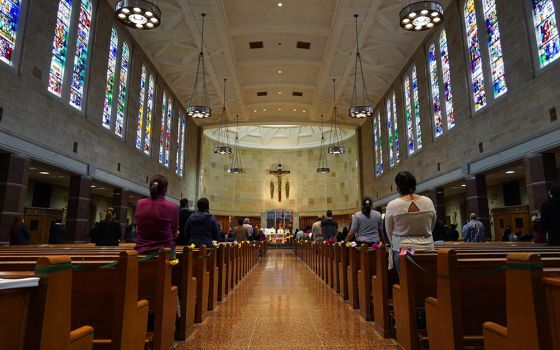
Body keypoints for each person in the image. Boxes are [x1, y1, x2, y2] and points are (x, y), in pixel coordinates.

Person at [385, 171, 436, 275]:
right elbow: (432, 225)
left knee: (406, 283)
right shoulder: (428, 201)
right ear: (414, 185)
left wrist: (395, 243)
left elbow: (389, 231)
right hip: (427, 248)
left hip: (403, 250)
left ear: (398, 187)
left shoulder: (393, 205)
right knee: (427, 282)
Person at [135, 175, 179, 254]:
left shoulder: (140, 203)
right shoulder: (173, 207)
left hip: (142, 250)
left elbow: (139, 224)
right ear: (165, 189)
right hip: (165, 251)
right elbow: (174, 231)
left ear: (150, 187)